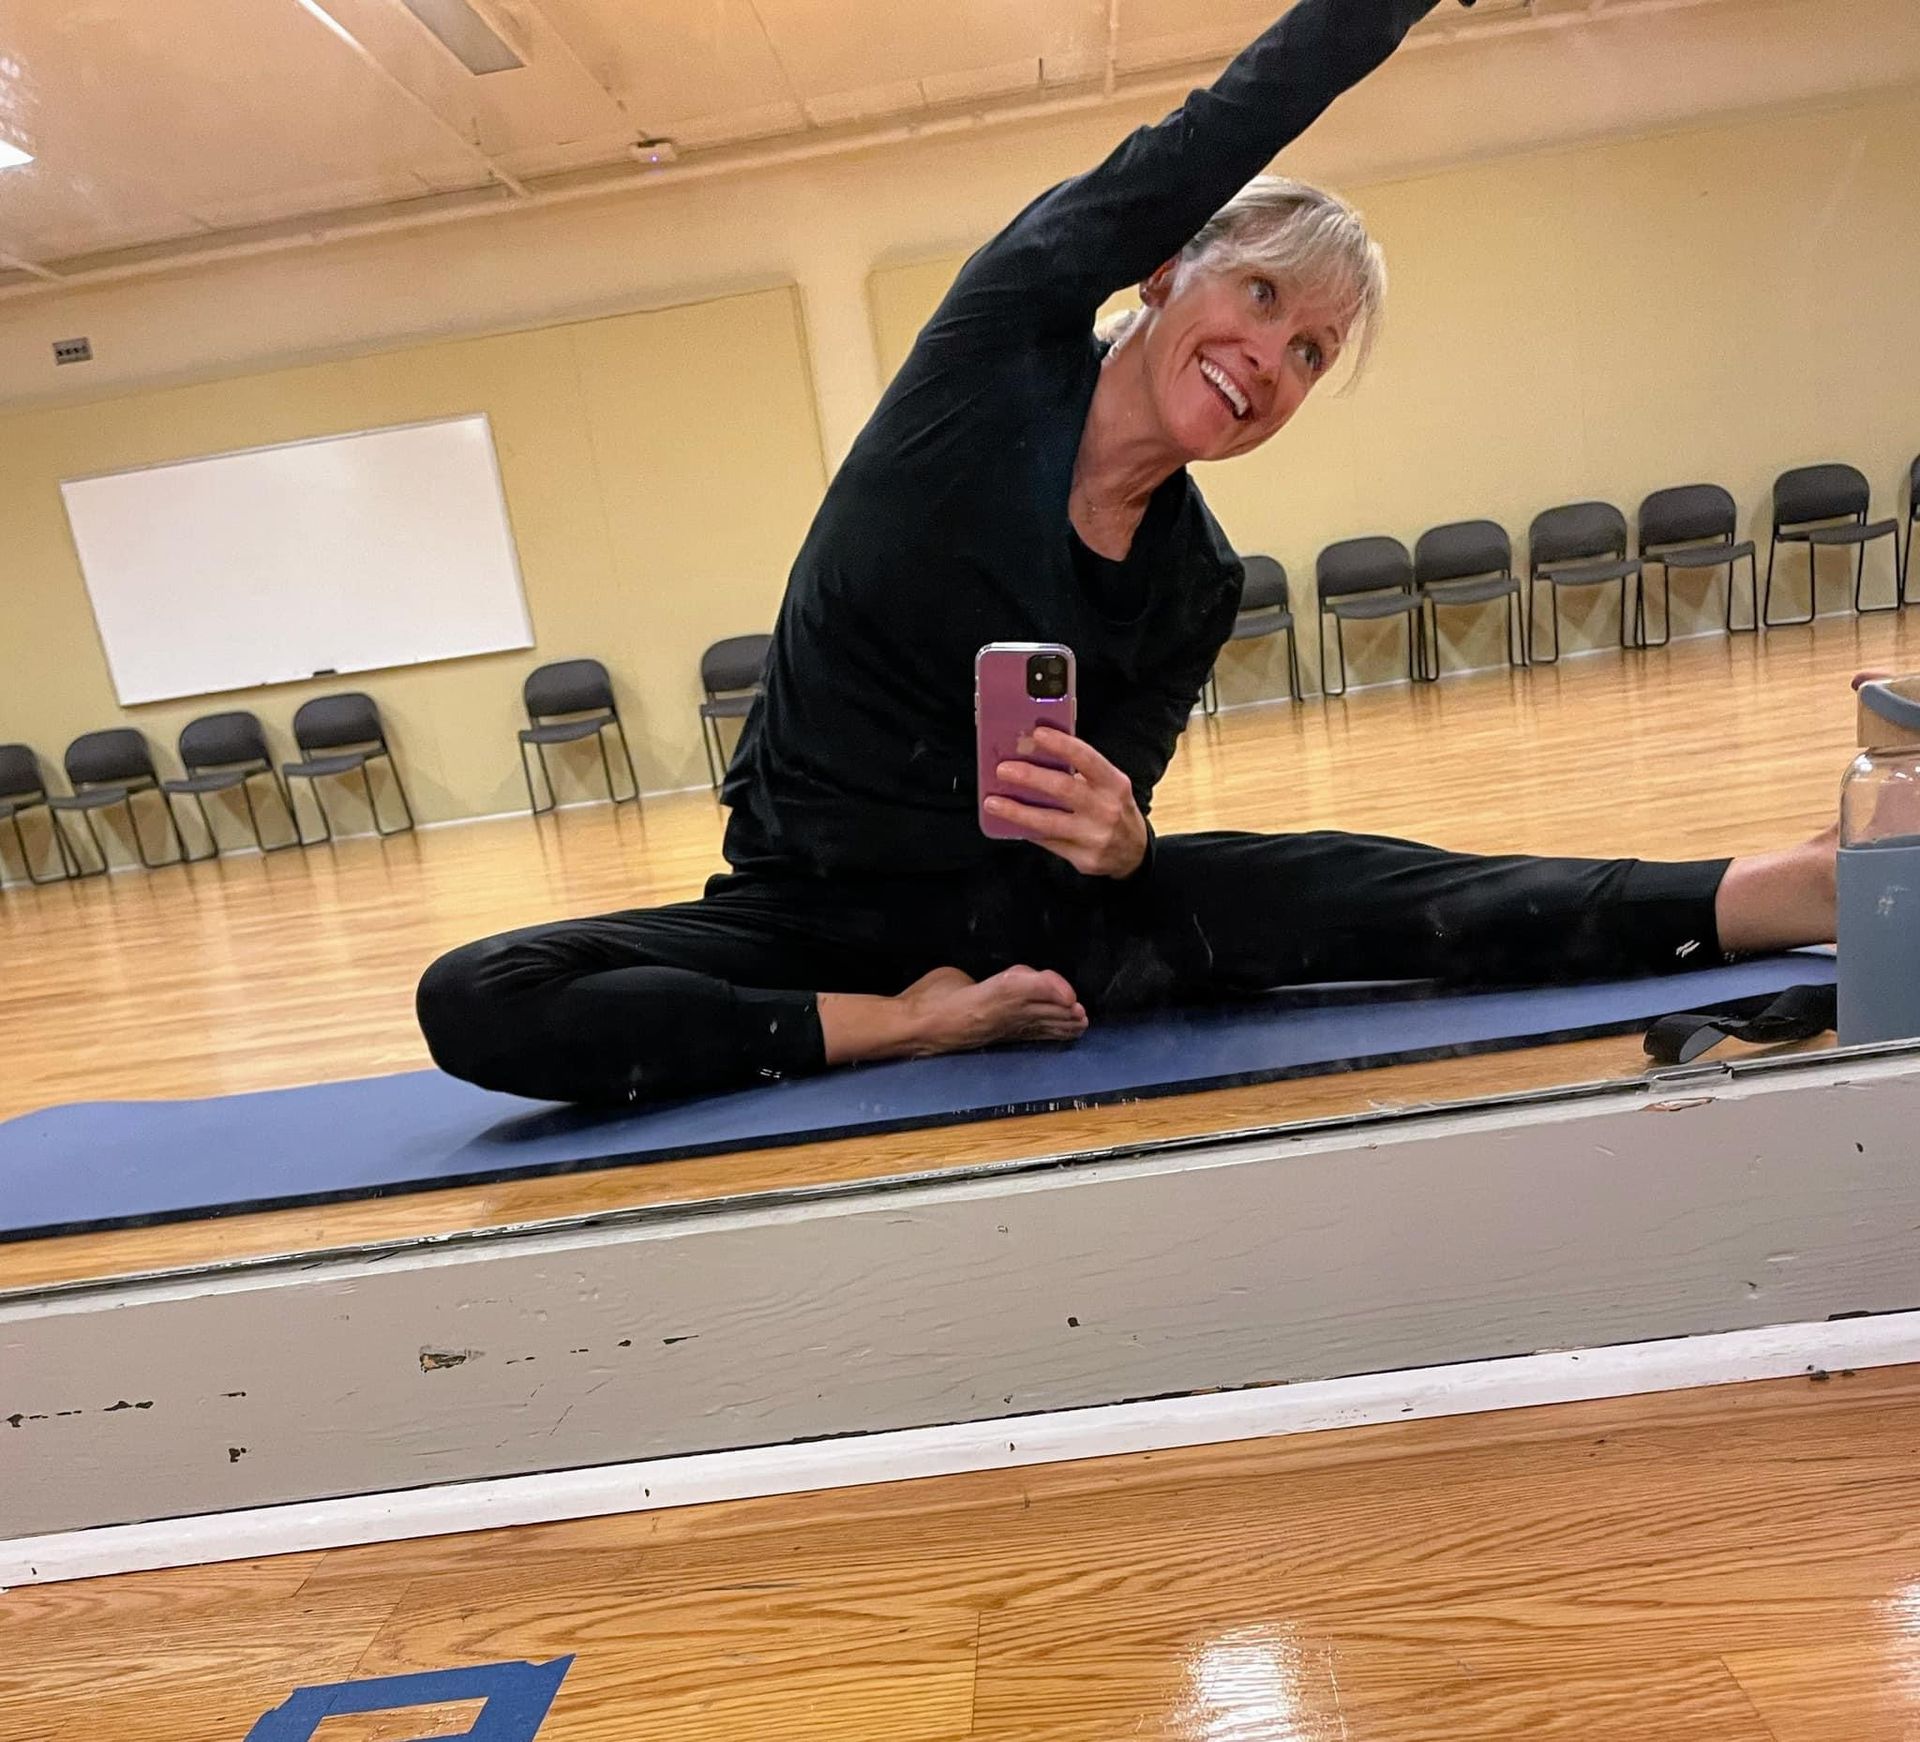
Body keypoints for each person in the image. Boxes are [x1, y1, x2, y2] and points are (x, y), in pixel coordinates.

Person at [418, 0, 1837, 1107]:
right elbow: (1227, 121)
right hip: (804, 918)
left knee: (1365, 888)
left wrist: (1124, 836)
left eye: (1308, 354)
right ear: (1164, 272)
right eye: (1260, 296)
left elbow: (1116, 822)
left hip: (1030, 928)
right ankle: (888, 1032)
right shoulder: (991, 363)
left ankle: (1778, 888)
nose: (1267, 362)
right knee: (476, 994)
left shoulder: (1197, 579)